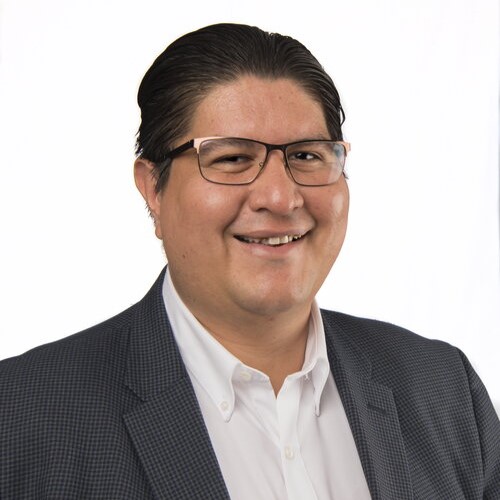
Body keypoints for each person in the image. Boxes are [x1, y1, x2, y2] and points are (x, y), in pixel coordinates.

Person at [0, 23, 498, 500]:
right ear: (153, 187)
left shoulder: (442, 388)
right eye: (233, 159)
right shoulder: (24, 415)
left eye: (306, 156)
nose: (281, 197)